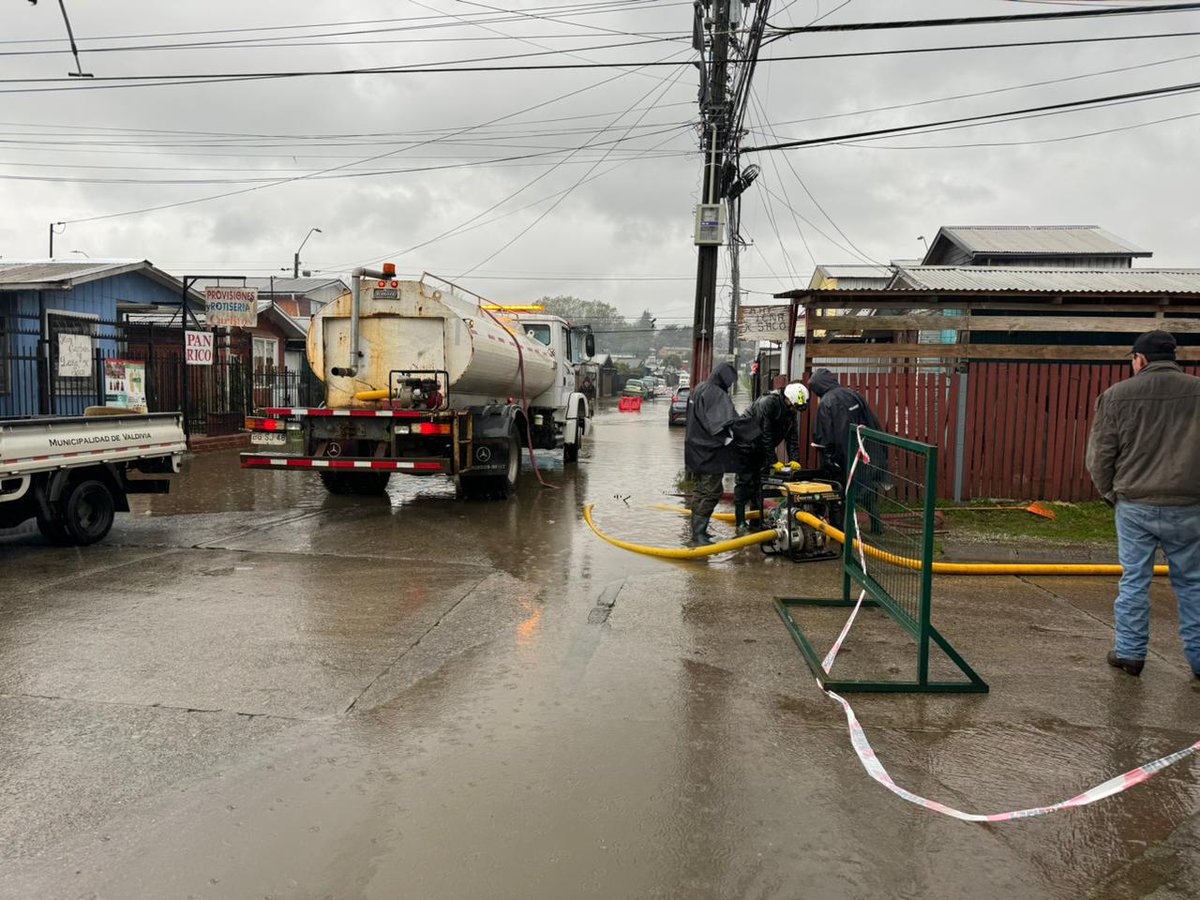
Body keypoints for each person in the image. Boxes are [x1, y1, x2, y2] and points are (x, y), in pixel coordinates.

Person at [1085, 329, 1200, 681]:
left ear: (1141, 360)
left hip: (1135, 503)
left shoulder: (1117, 395)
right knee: (1194, 583)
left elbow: (1100, 457)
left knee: (1134, 580)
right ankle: (1198, 660)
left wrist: (1111, 494)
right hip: (1190, 504)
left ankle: (1130, 653)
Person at [732, 382, 809, 535]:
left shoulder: (790, 411)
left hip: (761, 448)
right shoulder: (767, 403)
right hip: (746, 445)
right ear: (787, 399)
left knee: (759, 484)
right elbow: (765, 434)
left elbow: (792, 438)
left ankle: (756, 521)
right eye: (794, 407)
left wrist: (795, 460)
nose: (795, 410)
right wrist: (773, 460)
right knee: (744, 483)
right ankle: (740, 522)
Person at [684, 362, 740, 546]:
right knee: (711, 491)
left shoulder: (700, 388)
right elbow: (723, 423)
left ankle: (699, 532)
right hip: (710, 452)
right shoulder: (715, 393)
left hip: (695, 450)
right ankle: (698, 535)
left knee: (701, 491)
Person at [808, 368, 882, 481]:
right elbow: (871, 420)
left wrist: (828, 460)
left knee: (846, 489)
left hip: (841, 459)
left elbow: (823, 436)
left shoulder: (826, 403)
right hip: (864, 451)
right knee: (865, 489)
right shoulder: (853, 394)